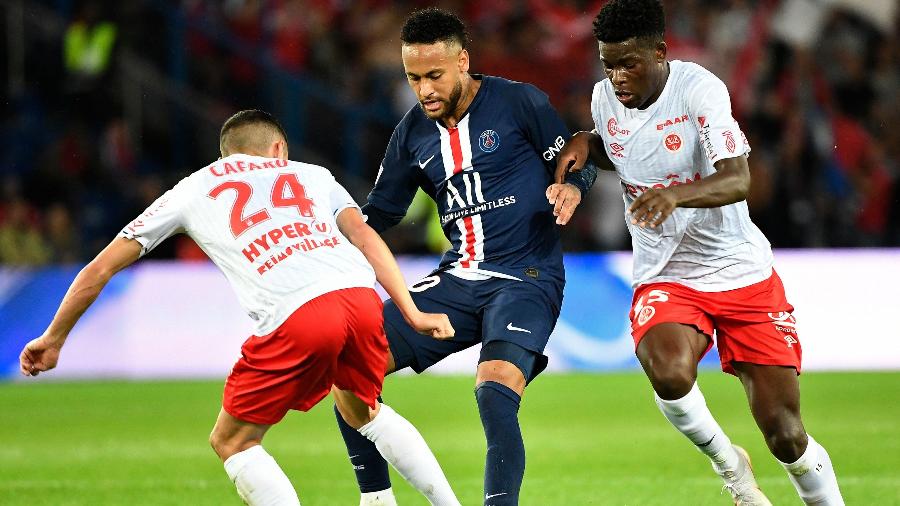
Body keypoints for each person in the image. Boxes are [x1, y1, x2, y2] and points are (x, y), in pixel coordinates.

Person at [19, 110, 462, 506]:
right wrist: (410, 310)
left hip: (299, 311)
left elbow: (98, 269)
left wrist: (54, 338)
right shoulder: (313, 174)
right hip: (361, 300)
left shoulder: (192, 189)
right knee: (362, 408)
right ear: (278, 149)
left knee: (232, 440)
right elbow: (366, 239)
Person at [554, 1, 844, 504]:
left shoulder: (699, 90)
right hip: (667, 276)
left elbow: (739, 177)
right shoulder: (605, 99)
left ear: (660, 52)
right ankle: (729, 465)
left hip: (741, 274)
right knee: (667, 370)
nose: (618, 77)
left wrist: (675, 195)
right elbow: (619, 150)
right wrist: (586, 146)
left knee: (786, 435)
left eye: (630, 63)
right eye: (608, 64)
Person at [332, 8, 597, 506]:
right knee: (349, 369)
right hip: (458, 279)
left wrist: (574, 187)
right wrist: (324, 241)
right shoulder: (411, 133)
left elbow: (574, 159)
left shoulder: (519, 102)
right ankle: (376, 500)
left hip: (527, 276)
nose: (425, 89)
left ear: (463, 62)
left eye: (435, 75)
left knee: (495, 393)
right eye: (414, 78)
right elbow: (379, 214)